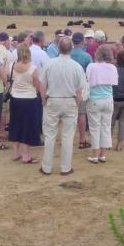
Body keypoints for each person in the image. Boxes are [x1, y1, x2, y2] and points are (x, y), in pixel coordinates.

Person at [39, 37, 85, 176]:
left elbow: (43, 84)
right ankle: (65, 167)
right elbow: (79, 90)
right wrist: (76, 104)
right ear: (71, 48)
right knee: (68, 136)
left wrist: (43, 99)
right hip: (70, 101)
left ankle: (47, 167)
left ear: (58, 48)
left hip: (52, 99)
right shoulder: (76, 66)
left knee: (50, 134)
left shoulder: (49, 64)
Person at [9, 43, 43, 163]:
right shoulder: (33, 68)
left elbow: (11, 79)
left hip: (15, 98)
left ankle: (15, 153)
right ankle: (26, 155)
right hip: (29, 99)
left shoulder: (12, 66)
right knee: (27, 127)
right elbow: (37, 85)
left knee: (15, 124)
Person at [86, 45, 119, 164]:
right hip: (108, 99)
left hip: (95, 99)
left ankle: (95, 155)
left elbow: (87, 80)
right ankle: (103, 154)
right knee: (106, 127)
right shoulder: (112, 68)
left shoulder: (92, 66)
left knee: (95, 128)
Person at [70, 32, 92, 149]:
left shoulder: (66, 54)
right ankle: (82, 139)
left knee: (68, 114)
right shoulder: (86, 56)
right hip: (81, 87)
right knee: (81, 113)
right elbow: (89, 74)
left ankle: (66, 138)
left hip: (67, 87)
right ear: (82, 42)